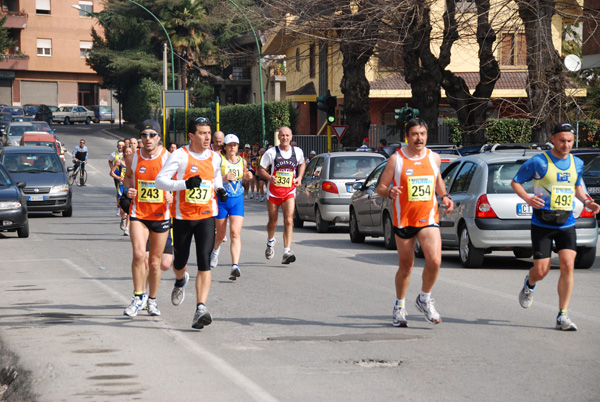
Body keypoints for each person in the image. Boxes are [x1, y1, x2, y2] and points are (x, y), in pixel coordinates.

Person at [511, 122, 600, 331]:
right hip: (542, 223)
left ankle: (562, 315)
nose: (566, 144)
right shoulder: (539, 162)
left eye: (570, 141)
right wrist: (528, 198)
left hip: (566, 222)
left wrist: (587, 201)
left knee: (568, 265)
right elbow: (515, 182)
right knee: (541, 271)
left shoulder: (576, 163)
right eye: (562, 140)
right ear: (553, 139)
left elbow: (577, 187)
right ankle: (529, 283)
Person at [375, 118, 454, 327]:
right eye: (414, 134)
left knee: (435, 261)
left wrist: (444, 196)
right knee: (406, 266)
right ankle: (400, 305)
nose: (419, 138)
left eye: (422, 134)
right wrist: (390, 191)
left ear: (427, 135)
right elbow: (380, 187)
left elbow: (437, 180)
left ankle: (424, 298)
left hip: (428, 218)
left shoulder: (434, 158)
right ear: (407, 137)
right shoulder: (396, 159)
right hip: (404, 219)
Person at [155, 117, 227, 330]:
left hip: (206, 215)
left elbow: (215, 178)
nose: (208, 137)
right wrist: (185, 184)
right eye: (203, 133)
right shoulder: (180, 155)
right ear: (191, 136)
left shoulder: (215, 157)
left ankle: (200, 308)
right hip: (182, 216)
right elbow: (160, 181)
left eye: (209, 133)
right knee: (180, 262)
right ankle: (180, 280)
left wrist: (219, 189)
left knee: (204, 261)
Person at [122, 120, 172, 318]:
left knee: (155, 262)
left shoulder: (168, 158)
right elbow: (127, 177)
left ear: (159, 137)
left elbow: (179, 182)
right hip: (139, 214)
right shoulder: (133, 157)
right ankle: (137, 298)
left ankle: (152, 300)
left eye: (152, 135)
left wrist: (172, 196)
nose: (147, 138)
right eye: (144, 135)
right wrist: (128, 190)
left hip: (160, 214)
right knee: (138, 255)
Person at [257, 126, 306, 264]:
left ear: (291, 137)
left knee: (289, 220)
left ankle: (286, 251)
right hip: (274, 192)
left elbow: (302, 164)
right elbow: (260, 169)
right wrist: (268, 177)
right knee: (273, 222)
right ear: (279, 137)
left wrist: (300, 177)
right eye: (282, 135)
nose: (285, 138)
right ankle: (270, 241)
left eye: (287, 135)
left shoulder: (297, 152)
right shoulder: (271, 152)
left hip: (289, 191)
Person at [210, 134, 253, 280]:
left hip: (237, 200)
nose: (232, 147)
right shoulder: (218, 159)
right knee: (221, 235)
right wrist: (223, 178)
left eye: (235, 145)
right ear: (225, 147)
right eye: (230, 145)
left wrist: (248, 177)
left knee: (235, 233)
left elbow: (245, 176)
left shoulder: (242, 161)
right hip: (222, 201)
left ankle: (235, 265)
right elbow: (210, 177)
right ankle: (215, 251)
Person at [111, 145, 133, 236]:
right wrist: (118, 177)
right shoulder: (119, 162)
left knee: (129, 208)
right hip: (121, 187)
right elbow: (111, 172)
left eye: (129, 152)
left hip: (130, 187)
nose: (128, 153)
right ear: (123, 153)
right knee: (122, 210)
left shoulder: (134, 162)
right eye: (126, 151)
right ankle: (123, 219)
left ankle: (127, 228)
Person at [109, 140, 125, 216]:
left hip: (126, 175)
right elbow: (110, 161)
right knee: (119, 191)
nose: (120, 146)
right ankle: (119, 207)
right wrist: (112, 169)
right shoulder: (114, 154)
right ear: (117, 146)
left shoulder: (128, 154)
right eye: (119, 145)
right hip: (118, 175)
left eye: (122, 145)